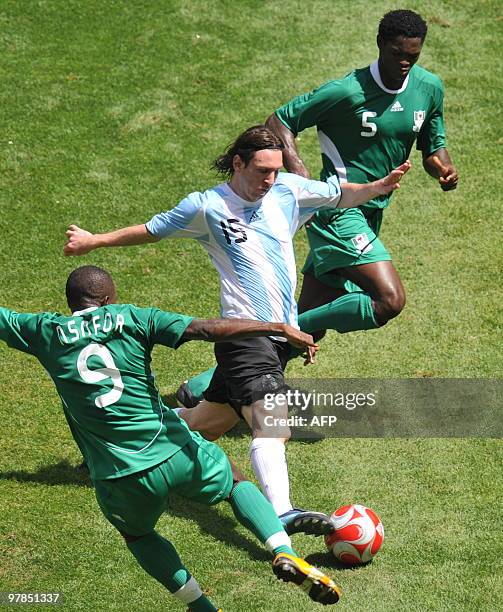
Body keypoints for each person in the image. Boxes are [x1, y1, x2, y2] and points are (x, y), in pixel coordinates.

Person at [64, 125, 410, 536]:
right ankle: (281, 510)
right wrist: (94, 241)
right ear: (238, 163)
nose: (270, 179)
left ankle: (110, 438)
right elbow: (152, 230)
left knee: (204, 422)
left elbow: (339, 195)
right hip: (245, 335)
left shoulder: (288, 191)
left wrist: (376, 187)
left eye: (276, 170)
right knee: (272, 423)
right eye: (261, 170)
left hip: (277, 339)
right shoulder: (207, 207)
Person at [0, 265, 342, 609]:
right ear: (107, 299)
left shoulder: (43, 331)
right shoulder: (132, 318)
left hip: (118, 475)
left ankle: (202, 607)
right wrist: (276, 327)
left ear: (71, 302)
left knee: (138, 534)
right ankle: (284, 552)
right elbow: (205, 329)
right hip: (172, 449)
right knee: (235, 482)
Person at [265, 8, 458, 342]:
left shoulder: (429, 88)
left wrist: (443, 168)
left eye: (412, 57)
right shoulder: (347, 91)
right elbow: (280, 121)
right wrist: (299, 171)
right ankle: (285, 329)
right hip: (338, 210)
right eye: (397, 54)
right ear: (380, 43)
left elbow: (433, 149)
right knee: (390, 299)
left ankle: (203, 389)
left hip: (371, 214)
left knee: (309, 331)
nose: (404, 64)